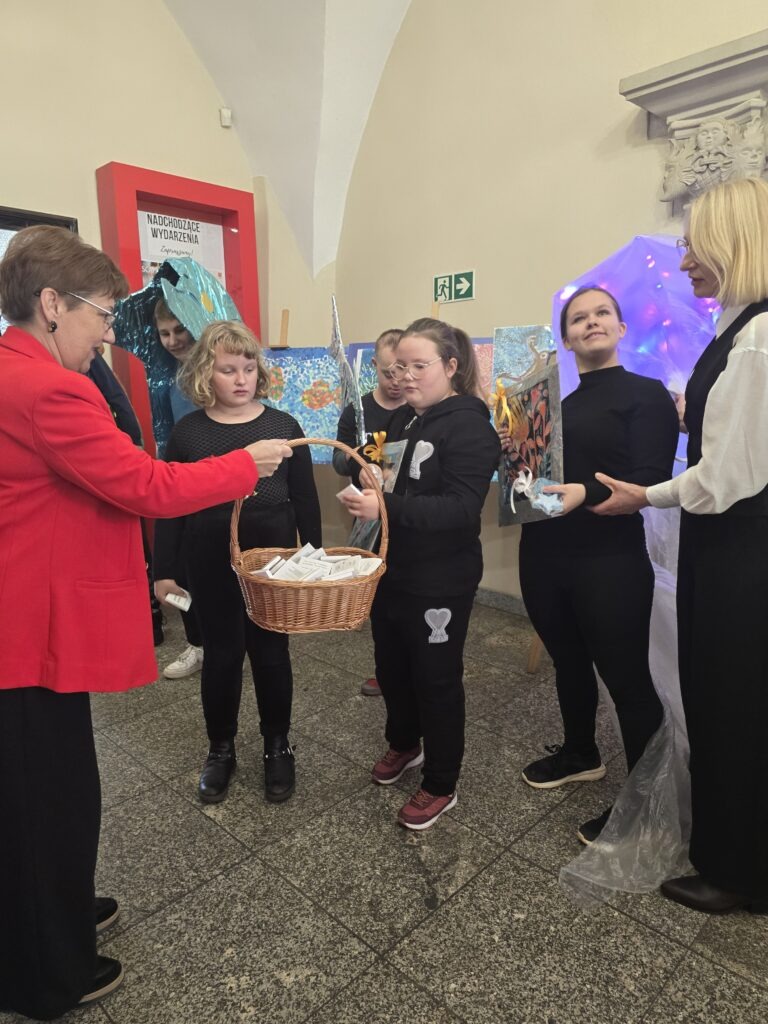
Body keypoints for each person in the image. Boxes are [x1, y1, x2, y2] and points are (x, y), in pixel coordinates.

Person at [0, 225, 291, 1020]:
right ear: (52, 304)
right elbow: (144, 485)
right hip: (24, 627)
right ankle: (45, 973)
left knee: (49, 788)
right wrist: (245, 465)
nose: (106, 333)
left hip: (25, 611)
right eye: (100, 314)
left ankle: (57, 912)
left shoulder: (16, 371)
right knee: (45, 798)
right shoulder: (48, 388)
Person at [591, 177, 768, 914]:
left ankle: (738, 871)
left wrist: (646, 494)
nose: (685, 259)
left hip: (739, 553)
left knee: (732, 703)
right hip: (730, 546)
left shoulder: (757, 338)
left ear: (735, 241)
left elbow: (725, 479)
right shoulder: (742, 327)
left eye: (695, 245)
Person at [511, 286, 678, 845]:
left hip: (609, 559)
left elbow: (651, 480)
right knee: (569, 661)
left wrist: (586, 491)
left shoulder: (646, 394)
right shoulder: (552, 405)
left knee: (627, 679)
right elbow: (528, 479)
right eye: (578, 318)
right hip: (543, 552)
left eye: (602, 313)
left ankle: (644, 806)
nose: (591, 322)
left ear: (621, 327)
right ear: (566, 338)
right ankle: (581, 752)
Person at [340, 317, 500, 830]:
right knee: (391, 667)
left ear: (451, 366)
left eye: (418, 366)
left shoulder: (470, 427)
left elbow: (460, 509)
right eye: (397, 367)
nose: (405, 376)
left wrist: (384, 504)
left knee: (436, 678)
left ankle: (441, 782)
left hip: (440, 578)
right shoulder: (406, 421)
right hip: (394, 569)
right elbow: (394, 478)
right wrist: (373, 477)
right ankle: (405, 743)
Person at [154, 320, 322, 805]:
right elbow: (171, 504)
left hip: (271, 553)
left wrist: (313, 555)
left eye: (248, 368)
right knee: (222, 654)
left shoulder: (283, 425)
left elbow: (305, 498)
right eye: (228, 369)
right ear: (206, 372)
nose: (241, 378)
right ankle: (221, 749)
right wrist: (163, 569)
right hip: (209, 553)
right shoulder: (189, 433)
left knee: (271, 652)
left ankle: (277, 744)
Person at [334, 328, 406, 696]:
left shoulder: (416, 410)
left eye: (401, 371)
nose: (395, 381)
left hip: (408, 516)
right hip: (369, 520)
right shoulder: (357, 410)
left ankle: (411, 669)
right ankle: (386, 670)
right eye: (387, 372)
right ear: (374, 365)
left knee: (408, 596)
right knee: (379, 598)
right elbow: (337, 457)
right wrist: (357, 465)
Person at [152, 298, 208, 679]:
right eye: (164, 333)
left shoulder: (215, 371)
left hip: (216, 482)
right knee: (182, 569)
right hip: (180, 483)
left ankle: (229, 642)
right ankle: (197, 643)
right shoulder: (166, 376)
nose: (172, 341)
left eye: (179, 330)